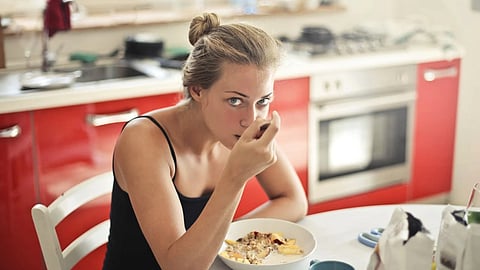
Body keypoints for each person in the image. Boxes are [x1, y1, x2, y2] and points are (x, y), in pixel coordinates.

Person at [102, 12, 308, 270]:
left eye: (263, 101)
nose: (250, 119)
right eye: (235, 100)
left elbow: (294, 201)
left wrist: (223, 239)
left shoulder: (243, 127)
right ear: (198, 90)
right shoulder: (144, 140)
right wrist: (236, 177)